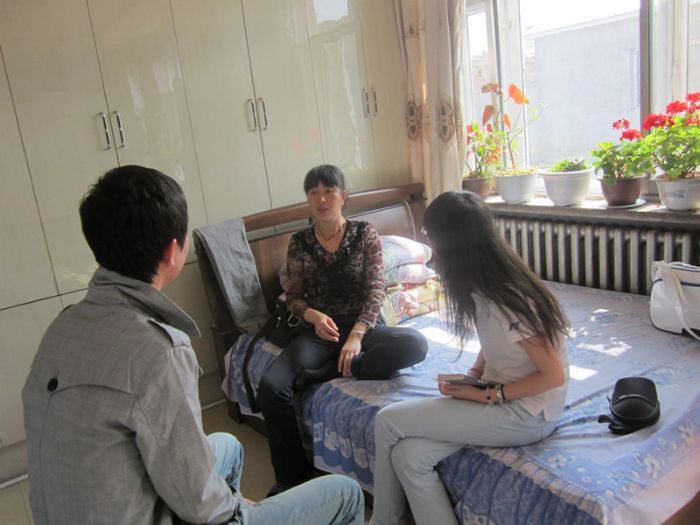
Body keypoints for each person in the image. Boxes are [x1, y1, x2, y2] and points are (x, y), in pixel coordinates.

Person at [22, 165, 364, 525]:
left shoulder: (63, 324)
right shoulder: (159, 350)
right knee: (345, 492)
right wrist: (241, 508)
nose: (322, 199)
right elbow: (200, 503)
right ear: (174, 251)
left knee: (228, 446)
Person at [371, 191, 570, 525]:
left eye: (430, 234)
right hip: (506, 395)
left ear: (453, 242)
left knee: (387, 420)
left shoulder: (509, 297)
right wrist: (475, 375)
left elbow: (553, 375)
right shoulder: (482, 283)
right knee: (409, 456)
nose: (427, 241)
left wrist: (489, 395)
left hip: (529, 413)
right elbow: (501, 337)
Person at [257, 164, 428, 495]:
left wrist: (357, 334)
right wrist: (314, 317)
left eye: (329, 191)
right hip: (319, 333)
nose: (322, 199)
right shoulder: (300, 242)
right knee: (271, 388)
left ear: (343, 196)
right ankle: (292, 478)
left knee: (415, 344)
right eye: (314, 193)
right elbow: (293, 297)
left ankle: (327, 373)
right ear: (308, 200)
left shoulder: (364, 234)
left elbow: (376, 290)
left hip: (364, 328)